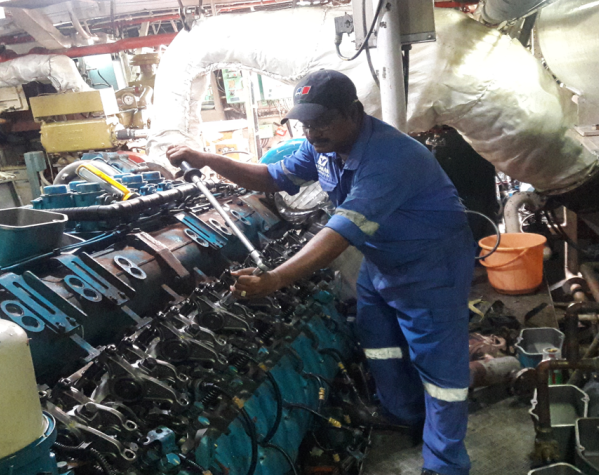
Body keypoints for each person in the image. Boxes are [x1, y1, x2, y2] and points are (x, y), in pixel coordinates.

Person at [167, 69, 474, 475]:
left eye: (323, 121)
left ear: (354, 112)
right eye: (306, 124)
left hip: (431, 265)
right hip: (382, 260)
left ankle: (445, 464)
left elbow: (339, 233)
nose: (312, 132)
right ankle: (402, 413)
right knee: (378, 339)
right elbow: (272, 177)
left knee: (440, 370)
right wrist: (208, 160)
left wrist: (275, 279)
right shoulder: (323, 149)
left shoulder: (391, 157)